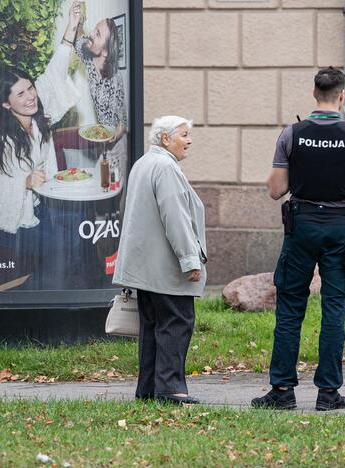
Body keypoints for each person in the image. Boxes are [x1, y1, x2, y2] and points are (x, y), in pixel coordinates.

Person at [251, 67, 345, 411]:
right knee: (334, 307)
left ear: (314, 94)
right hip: (339, 226)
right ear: (342, 95)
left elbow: (276, 189)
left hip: (302, 225)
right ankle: (328, 393)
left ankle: (281, 391)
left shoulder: (292, 134)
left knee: (291, 307)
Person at [0, 1, 83, 290]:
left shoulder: (39, 117)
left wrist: (71, 26)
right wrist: (23, 182)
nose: (31, 96)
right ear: (7, 104)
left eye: (30, 88)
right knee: (62, 243)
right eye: (21, 94)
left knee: (78, 229)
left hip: (40, 207)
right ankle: (45, 298)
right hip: (12, 220)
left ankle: (61, 294)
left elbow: (54, 72)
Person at [113, 116, 206, 405]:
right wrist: (190, 259)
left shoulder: (144, 163)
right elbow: (175, 217)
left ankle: (149, 388)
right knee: (177, 323)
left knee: (153, 326)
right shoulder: (166, 167)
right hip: (165, 266)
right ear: (165, 139)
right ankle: (170, 388)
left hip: (145, 266)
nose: (189, 140)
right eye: (184, 135)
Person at [73, 17, 127, 176]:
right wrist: (80, 23)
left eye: (97, 34)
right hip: (102, 142)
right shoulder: (88, 60)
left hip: (118, 144)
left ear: (105, 51)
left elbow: (123, 120)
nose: (92, 33)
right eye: (94, 29)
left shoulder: (115, 77)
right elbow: (79, 39)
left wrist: (115, 134)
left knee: (116, 192)